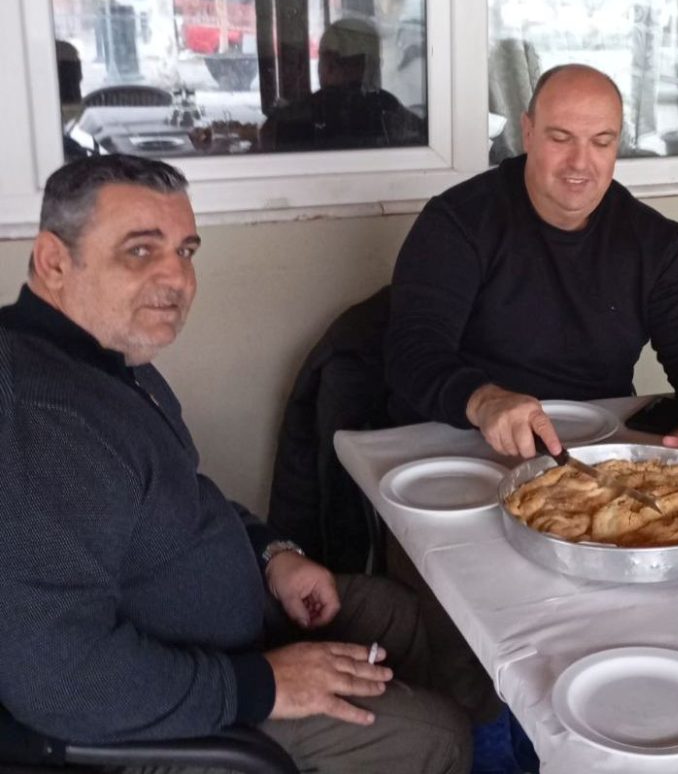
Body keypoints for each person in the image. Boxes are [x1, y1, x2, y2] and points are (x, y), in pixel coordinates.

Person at [0, 155, 471, 773]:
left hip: (218, 636)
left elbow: (182, 498)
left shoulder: (108, 360)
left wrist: (274, 555)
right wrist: (265, 684)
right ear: (54, 261)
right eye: (140, 251)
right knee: (437, 736)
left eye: (185, 251)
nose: (177, 277)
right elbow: (61, 681)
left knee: (396, 615)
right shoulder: (39, 420)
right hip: (149, 719)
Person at [385, 63, 678, 466]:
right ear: (527, 132)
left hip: (598, 455)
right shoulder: (458, 223)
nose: (580, 163)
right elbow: (413, 348)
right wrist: (484, 401)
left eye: (601, 142)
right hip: (464, 447)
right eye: (561, 139)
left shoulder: (651, 240)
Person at [261, 18, 426, 152]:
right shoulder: (388, 107)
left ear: (329, 65)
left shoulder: (292, 118)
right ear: (370, 65)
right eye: (376, 63)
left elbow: (266, 144)